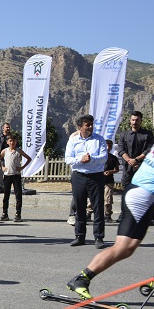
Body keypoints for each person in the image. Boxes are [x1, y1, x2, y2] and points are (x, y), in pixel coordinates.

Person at [66, 146, 154, 299]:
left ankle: (82, 279)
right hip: (142, 195)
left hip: (141, 193)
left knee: (127, 249)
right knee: (122, 247)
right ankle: (81, 279)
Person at [64, 114, 108, 248]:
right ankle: (80, 236)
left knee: (98, 207)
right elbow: (68, 159)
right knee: (79, 207)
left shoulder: (99, 140)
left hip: (96, 176)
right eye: (87, 125)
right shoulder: (73, 141)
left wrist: (91, 159)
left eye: (91, 124)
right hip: (79, 176)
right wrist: (80, 159)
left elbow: (104, 157)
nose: (90, 127)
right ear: (80, 127)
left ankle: (99, 237)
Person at [115, 111, 154, 221]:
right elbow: (121, 150)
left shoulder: (147, 134)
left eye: (137, 120)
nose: (135, 122)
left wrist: (136, 160)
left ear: (141, 121)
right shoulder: (123, 134)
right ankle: (124, 214)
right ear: (130, 121)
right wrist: (130, 161)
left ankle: (148, 216)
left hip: (143, 167)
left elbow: (149, 150)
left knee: (145, 191)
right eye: (133, 120)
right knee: (126, 190)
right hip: (128, 168)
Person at [0, 132, 31, 222]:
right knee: (6, 195)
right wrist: (2, 167)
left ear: (16, 142)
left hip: (16, 175)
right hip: (7, 175)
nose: (12, 143)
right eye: (10, 141)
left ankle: (18, 214)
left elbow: (28, 158)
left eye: (14, 141)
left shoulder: (18, 151)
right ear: (8, 142)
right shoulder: (5, 151)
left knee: (18, 195)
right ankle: (5, 213)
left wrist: (22, 167)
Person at [0, 123, 11, 194]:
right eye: (6, 127)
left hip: (9, 157)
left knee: (8, 173)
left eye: (9, 127)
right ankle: (0, 186)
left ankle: (6, 187)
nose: (8, 128)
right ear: (3, 128)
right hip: (1, 158)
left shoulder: (11, 137)